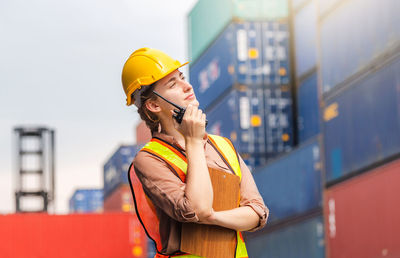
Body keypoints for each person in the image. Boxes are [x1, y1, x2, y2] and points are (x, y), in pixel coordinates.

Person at [121, 47, 268, 258]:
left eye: (182, 77)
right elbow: (196, 209)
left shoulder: (223, 145)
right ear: (153, 105)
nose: (187, 86)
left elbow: (257, 213)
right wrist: (194, 142)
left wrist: (213, 217)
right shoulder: (149, 159)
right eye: (173, 84)